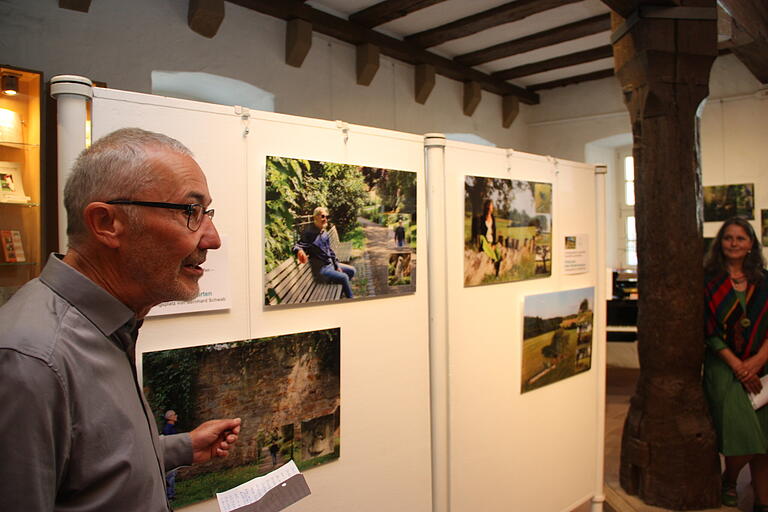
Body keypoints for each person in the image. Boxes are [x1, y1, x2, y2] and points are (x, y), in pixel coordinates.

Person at [0, 128, 242, 511]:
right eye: (190, 212)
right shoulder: (31, 360)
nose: (212, 239)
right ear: (106, 223)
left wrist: (180, 447)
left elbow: (89, 462)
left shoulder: (111, 327)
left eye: (206, 212)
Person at [703, 216, 768, 511]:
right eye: (728, 238)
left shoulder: (764, 280)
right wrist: (739, 367)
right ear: (720, 243)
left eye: (741, 238)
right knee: (741, 429)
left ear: (751, 244)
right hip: (723, 364)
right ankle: (730, 479)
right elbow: (708, 332)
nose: (734, 243)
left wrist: (757, 361)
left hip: (763, 364)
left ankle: (761, 498)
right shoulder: (708, 282)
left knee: (763, 434)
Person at [294, 206, 356, 298]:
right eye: (323, 216)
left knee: (352, 271)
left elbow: (330, 251)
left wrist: (337, 265)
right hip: (322, 270)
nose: (325, 219)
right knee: (344, 277)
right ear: (315, 217)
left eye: (327, 216)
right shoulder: (309, 234)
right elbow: (297, 245)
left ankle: (342, 291)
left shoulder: (324, 232)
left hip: (330, 265)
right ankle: (351, 300)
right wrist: (299, 251)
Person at [470, 199, 502, 275]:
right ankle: (493, 261)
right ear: (486, 208)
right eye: (489, 207)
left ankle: (497, 273)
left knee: (498, 251)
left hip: (492, 241)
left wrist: (493, 244)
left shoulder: (493, 218)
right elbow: (480, 234)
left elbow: (494, 231)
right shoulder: (481, 219)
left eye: (491, 207)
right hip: (485, 242)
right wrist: (487, 244)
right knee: (484, 242)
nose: (490, 209)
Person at [162, 410, 180, 501]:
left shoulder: (172, 428)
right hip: (171, 455)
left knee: (172, 475)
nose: (176, 416)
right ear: (170, 417)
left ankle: (171, 494)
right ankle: (169, 496)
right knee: (170, 476)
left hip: (174, 454)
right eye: (174, 415)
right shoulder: (168, 429)